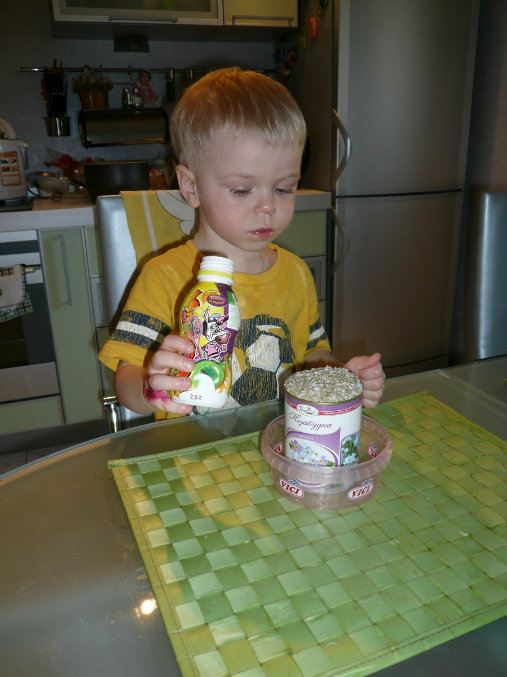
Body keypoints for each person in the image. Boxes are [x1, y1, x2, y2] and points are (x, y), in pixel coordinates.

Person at [98, 67, 385, 420]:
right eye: (242, 190)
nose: (268, 206)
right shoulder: (164, 277)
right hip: (193, 453)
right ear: (191, 187)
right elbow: (124, 380)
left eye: (284, 188)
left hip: (283, 442)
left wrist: (340, 375)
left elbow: (313, 355)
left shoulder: (296, 274)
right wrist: (149, 385)